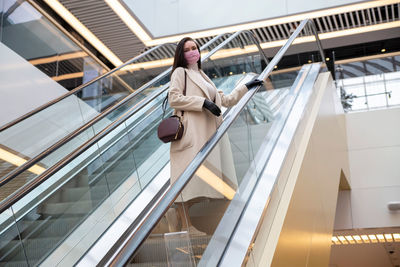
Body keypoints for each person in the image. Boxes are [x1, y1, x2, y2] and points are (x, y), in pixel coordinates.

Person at [168, 37, 263, 232]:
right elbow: (174, 98)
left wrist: (246, 86)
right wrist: (202, 103)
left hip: (208, 136)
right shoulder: (180, 72)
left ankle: (182, 220)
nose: (193, 51)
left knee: (206, 181)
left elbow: (225, 100)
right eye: (187, 49)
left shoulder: (203, 75)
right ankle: (185, 224)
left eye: (195, 48)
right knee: (189, 181)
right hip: (192, 135)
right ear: (181, 54)